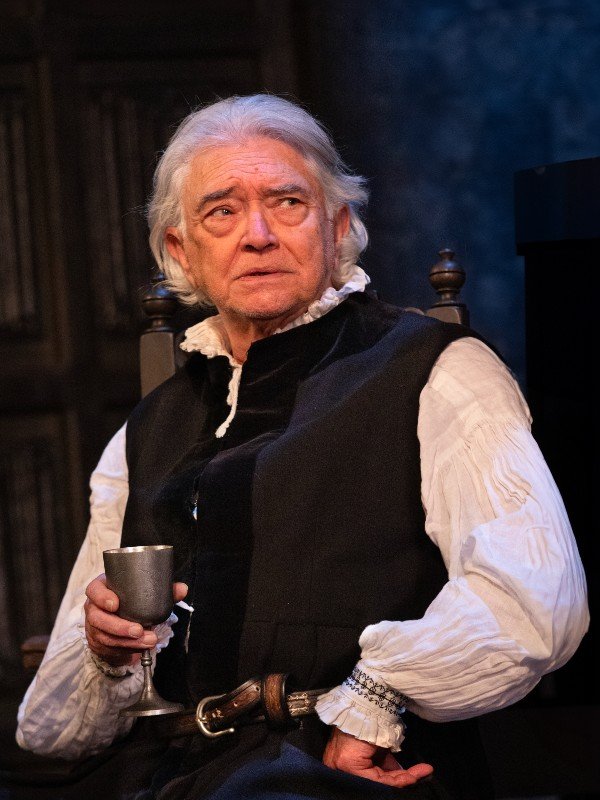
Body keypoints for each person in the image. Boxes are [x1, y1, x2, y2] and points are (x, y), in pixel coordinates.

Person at [16, 94, 588, 799]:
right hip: (165, 772)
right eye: (221, 211)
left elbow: (534, 601)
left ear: (337, 226)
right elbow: (50, 730)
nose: (257, 235)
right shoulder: (149, 429)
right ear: (181, 251)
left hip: (345, 768)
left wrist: (372, 704)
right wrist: (107, 652)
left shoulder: (436, 373)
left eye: (287, 203)